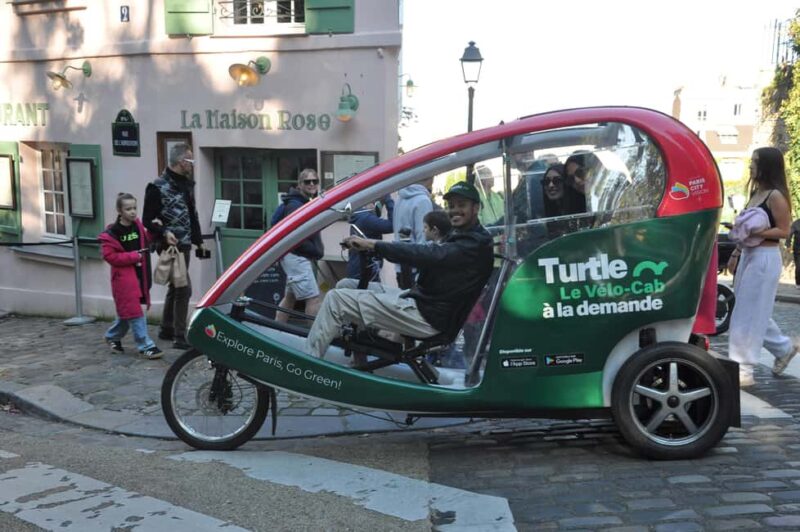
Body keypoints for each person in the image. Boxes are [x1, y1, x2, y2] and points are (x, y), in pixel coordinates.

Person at [306, 181, 494, 360]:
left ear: (475, 208)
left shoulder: (473, 244)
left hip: (427, 316)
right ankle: (358, 358)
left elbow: (426, 253)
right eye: (451, 206)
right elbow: (427, 252)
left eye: (461, 205)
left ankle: (307, 365)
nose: (454, 210)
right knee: (345, 284)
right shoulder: (464, 235)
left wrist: (373, 245)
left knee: (336, 299)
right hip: (423, 302)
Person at [727, 147, 799, 387]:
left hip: (764, 257)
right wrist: (737, 252)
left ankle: (743, 369)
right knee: (750, 309)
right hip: (749, 254)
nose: (751, 165)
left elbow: (784, 230)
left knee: (747, 313)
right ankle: (784, 349)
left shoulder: (775, 196)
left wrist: (756, 232)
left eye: (755, 161)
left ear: (766, 166)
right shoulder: (757, 193)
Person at [143, 143, 206, 349]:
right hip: (169, 245)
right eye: (190, 160)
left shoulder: (186, 184)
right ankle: (180, 335)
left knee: (176, 286)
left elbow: (192, 215)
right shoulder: (157, 187)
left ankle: (166, 328)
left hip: (184, 244)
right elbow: (147, 219)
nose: (192, 164)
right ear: (181, 162)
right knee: (183, 288)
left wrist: (199, 241)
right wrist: (164, 232)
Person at [99, 193, 163, 360]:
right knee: (134, 312)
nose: (133, 212)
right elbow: (110, 256)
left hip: (140, 276)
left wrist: (155, 231)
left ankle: (112, 336)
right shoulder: (112, 233)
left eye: (134, 208)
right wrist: (133, 256)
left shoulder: (138, 227)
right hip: (123, 279)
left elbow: (145, 240)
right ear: (119, 211)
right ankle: (145, 345)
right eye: (128, 209)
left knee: (126, 312)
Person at [274, 169, 324, 323]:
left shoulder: (302, 201)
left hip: (292, 256)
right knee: (313, 298)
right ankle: (314, 335)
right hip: (297, 257)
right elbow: (295, 237)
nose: (312, 184)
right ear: (300, 184)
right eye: (307, 181)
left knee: (290, 297)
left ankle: (276, 329)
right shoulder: (295, 206)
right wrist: (314, 251)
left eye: (315, 181)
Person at [393, 177, 434, 287]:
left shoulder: (400, 198)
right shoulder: (423, 201)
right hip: (415, 269)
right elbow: (423, 238)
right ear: (430, 178)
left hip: (400, 266)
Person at [344, 196, 394, 283]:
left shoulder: (359, 216)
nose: (375, 206)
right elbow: (392, 225)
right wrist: (388, 200)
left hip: (361, 269)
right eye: (374, 202)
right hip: (365, 272)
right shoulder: (366, 219)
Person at [788, 218, 800, 287]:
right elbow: (789, 234)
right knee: (799, 267)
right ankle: (798, 283)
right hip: (798, 249)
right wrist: (788, 245)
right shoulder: (796, 223)